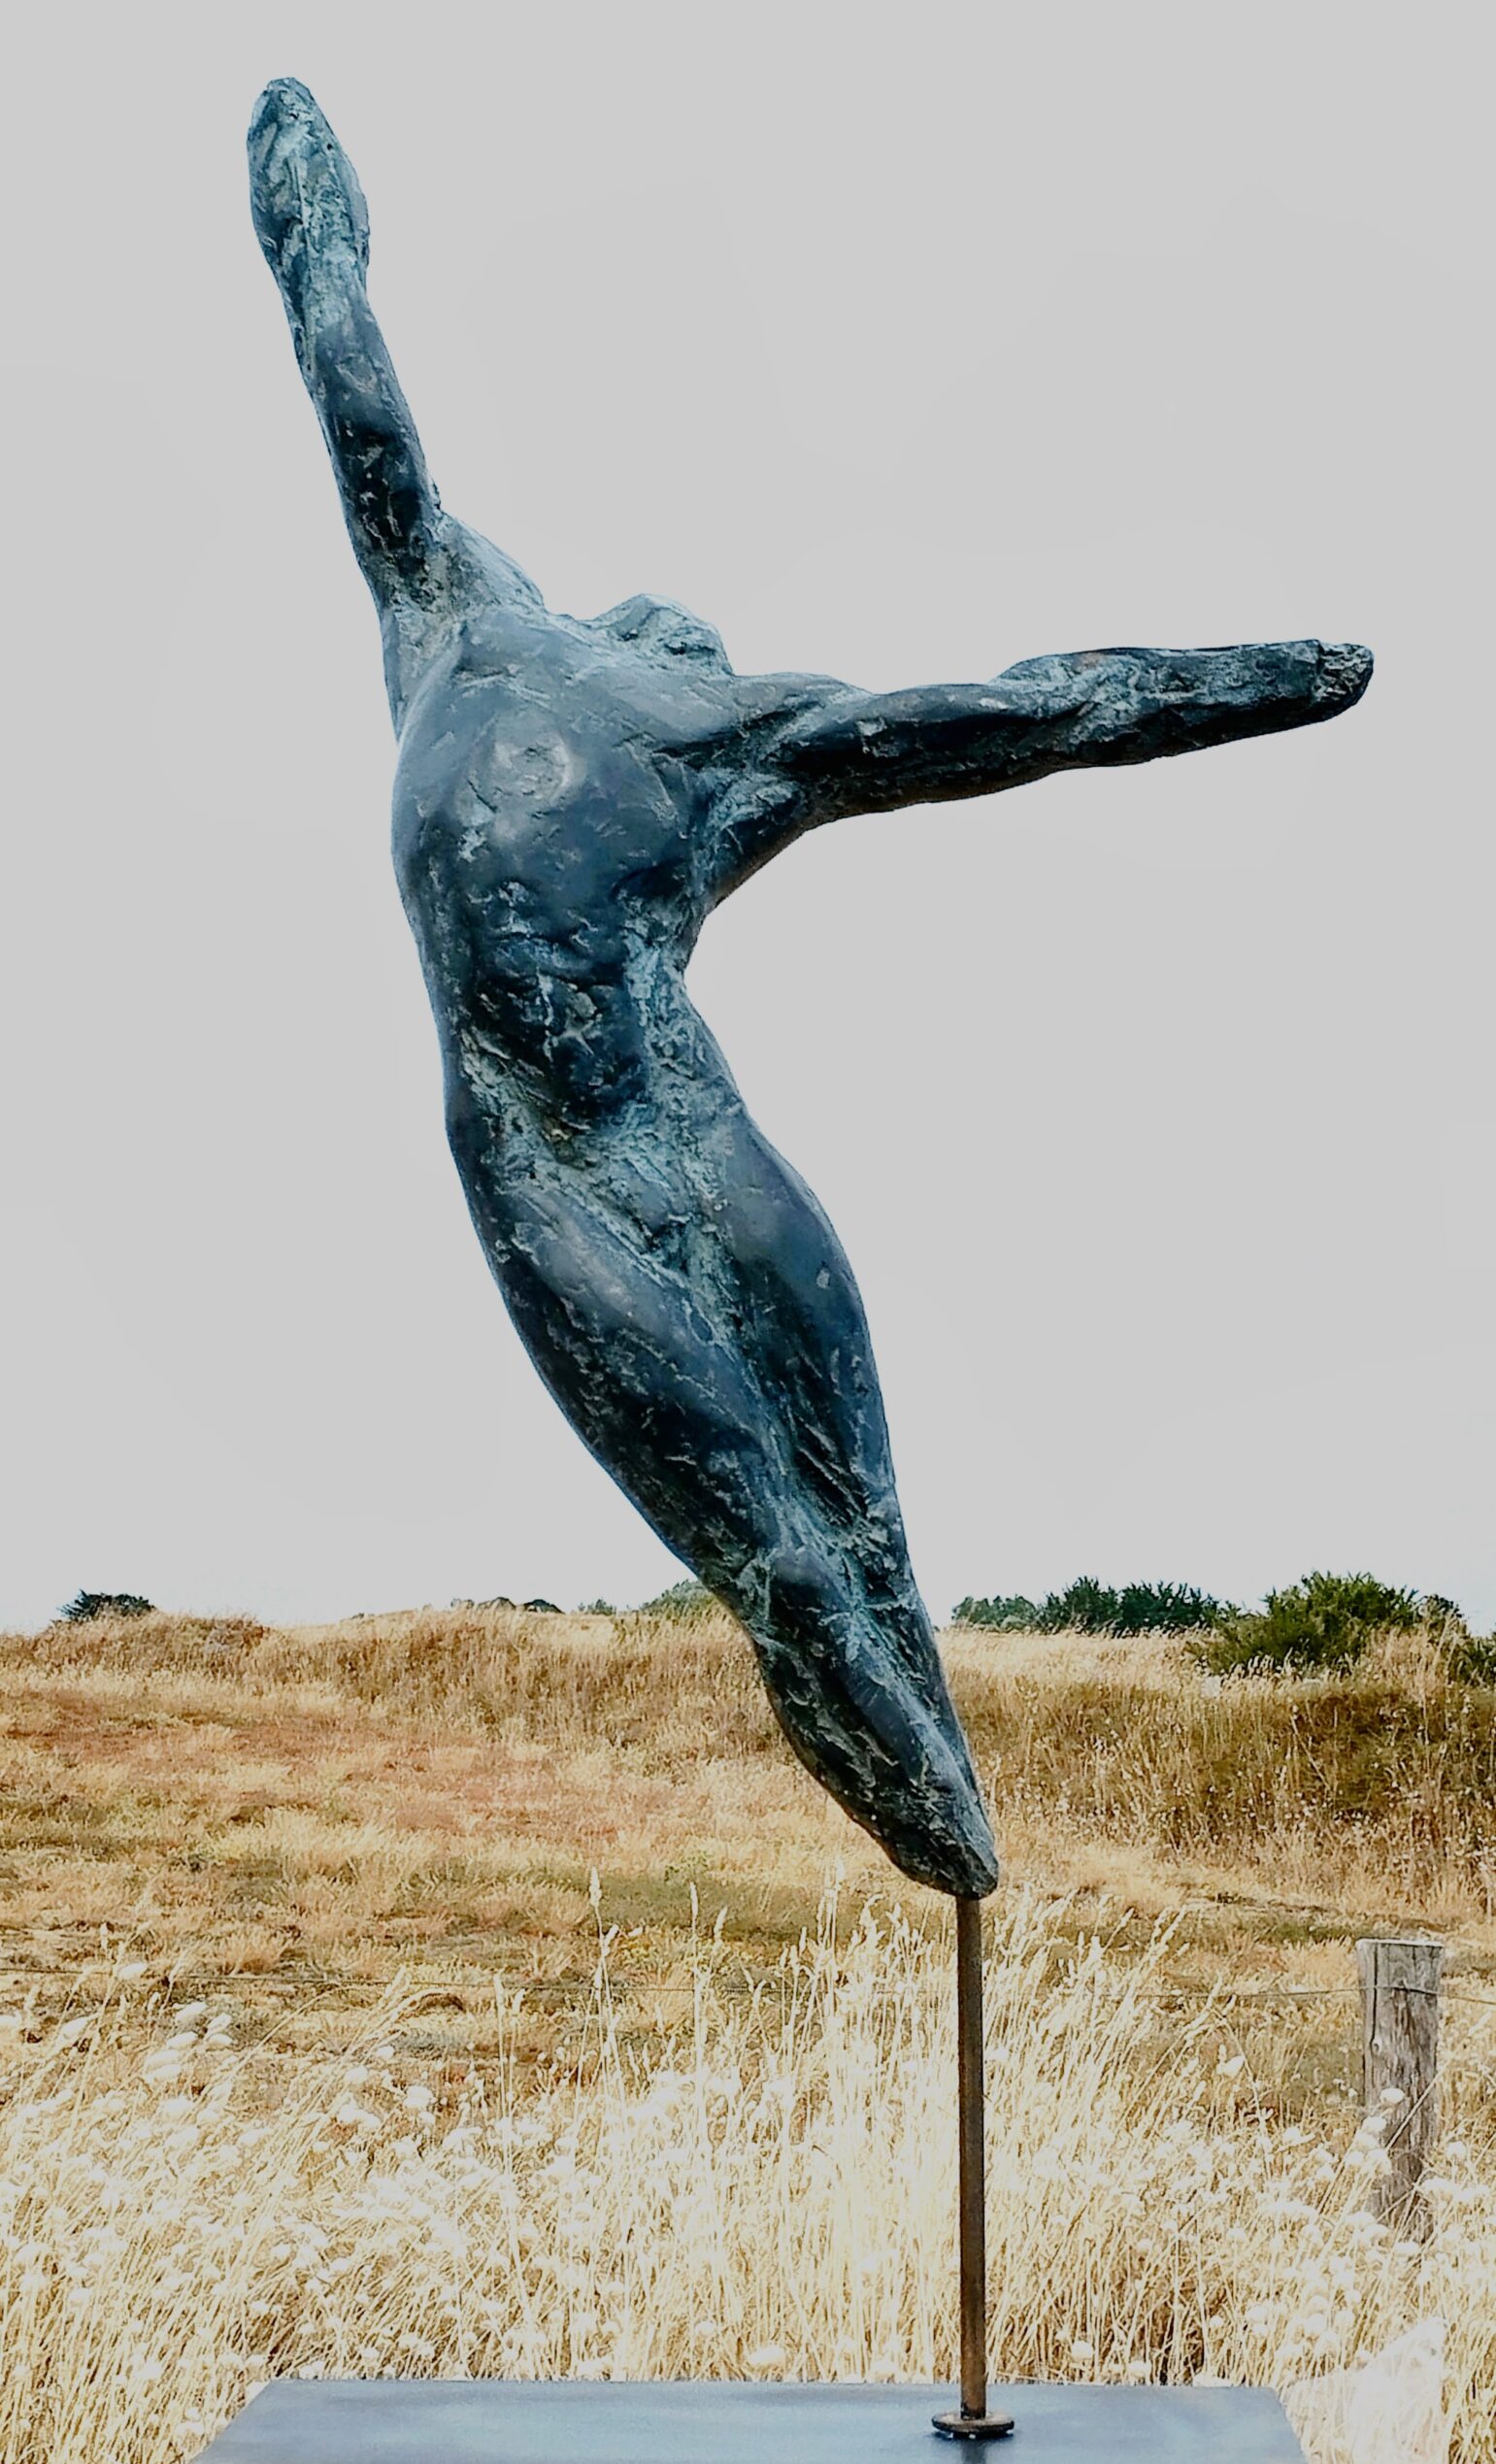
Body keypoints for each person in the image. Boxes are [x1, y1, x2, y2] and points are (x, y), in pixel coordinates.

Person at [249, 79, 1371, 1899]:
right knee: (777, 1551)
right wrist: (304, 212)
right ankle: (951, 1837)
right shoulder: (469, 625)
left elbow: (1027, 712)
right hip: (558, 1162)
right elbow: (352, 381)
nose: (678, 628)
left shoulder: (689, 722)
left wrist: (1258, 679)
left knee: (850, 1536)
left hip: (671, 1136)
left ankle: (956, 1839)